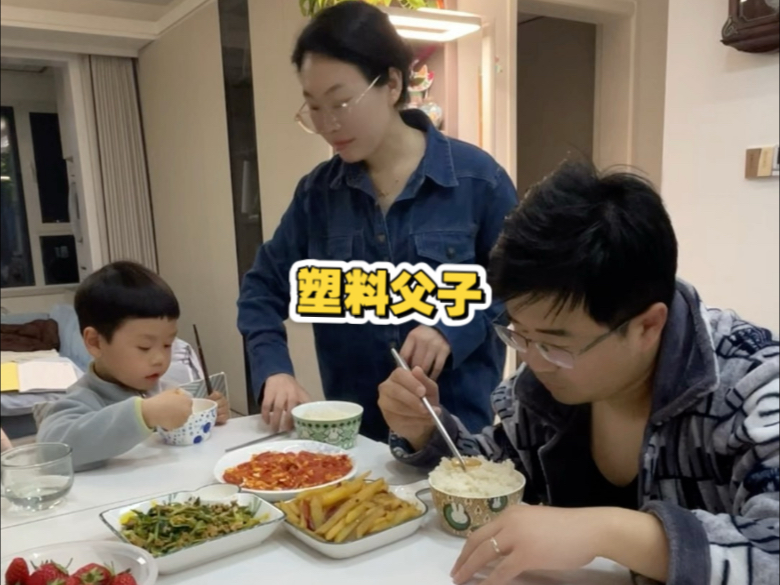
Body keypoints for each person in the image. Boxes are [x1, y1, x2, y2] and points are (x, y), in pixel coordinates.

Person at [379, 161, 779, 585]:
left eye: (555, 344)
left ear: (647, 326)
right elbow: (491, 472)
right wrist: (426, 429)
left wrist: (607, 532)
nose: (533, 361)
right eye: (519, 334)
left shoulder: (752, 387)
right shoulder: (544, 386)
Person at [237, 1, 516, 441]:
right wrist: (274, 370)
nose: (328, 124)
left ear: (392, 83)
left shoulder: (478, 180)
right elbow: (261, 289)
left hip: (453, 434)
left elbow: (520, 285)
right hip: (355, 438)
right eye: (314, 107)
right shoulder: (317, 194)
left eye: (342, 102)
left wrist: (452, 326)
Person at [35, 261, 230, 471]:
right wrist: (144, 414)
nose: (160, 359)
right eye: (144, 347)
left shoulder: (165, 389)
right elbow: (51, 453)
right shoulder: (81, 400)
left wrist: (207, 413)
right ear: (95, 342)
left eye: (167, 344)